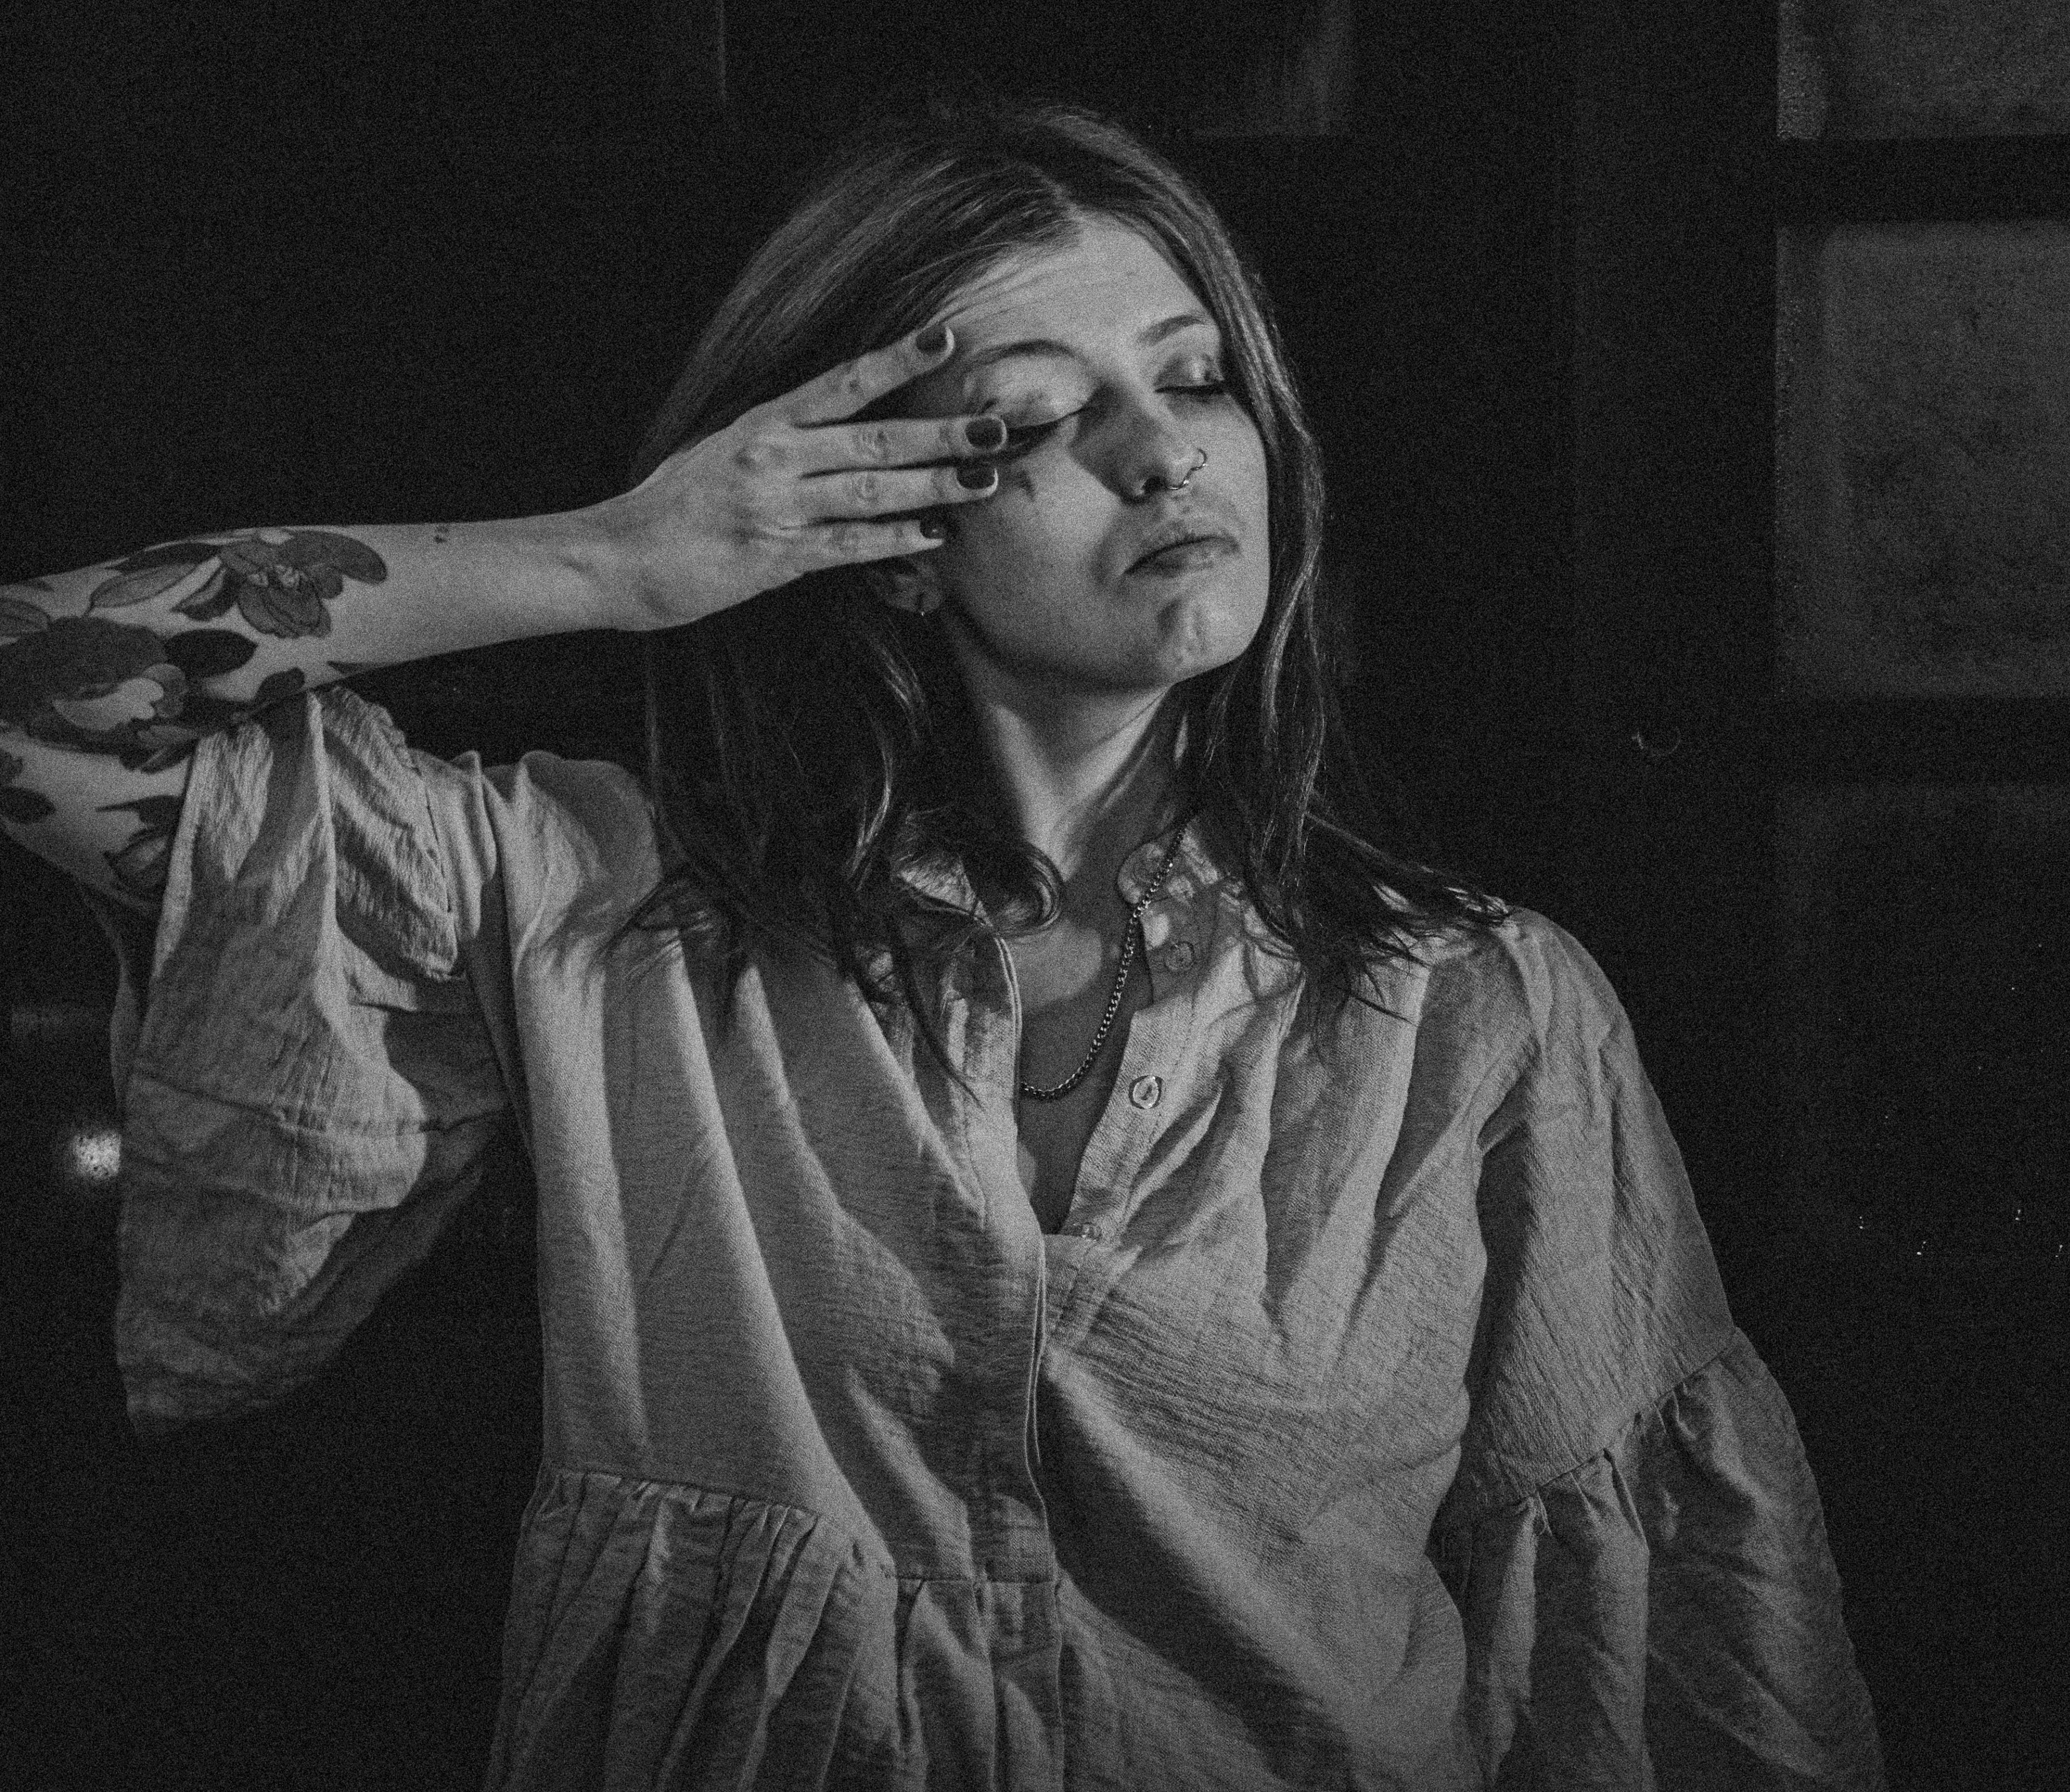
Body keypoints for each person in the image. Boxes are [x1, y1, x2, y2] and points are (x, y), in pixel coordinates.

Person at [0, 103, 1884, 1789]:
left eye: (1201, 377)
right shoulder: (593, 907)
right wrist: (616, 562)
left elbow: (1661, 1651)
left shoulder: (1474, 1011)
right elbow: (36, 693)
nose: (1166, 458)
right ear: (879, 529)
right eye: (1052, 417)